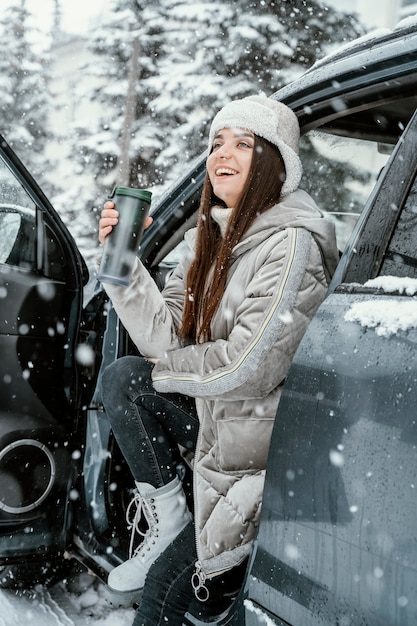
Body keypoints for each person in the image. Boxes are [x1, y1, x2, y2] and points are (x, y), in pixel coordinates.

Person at [97, 94, 339, 625]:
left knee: (163, 594)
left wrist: (172, 372)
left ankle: (182, 549)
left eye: (243, 143)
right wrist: (123, 266)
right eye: (216, 142)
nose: (221, 154)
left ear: (274, 162)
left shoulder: (291, 244)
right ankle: (169, 518)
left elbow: (248, 367)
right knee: (126, 379)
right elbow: (166, 344)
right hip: (222, 430)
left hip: (262, 459)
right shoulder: (210, 238)